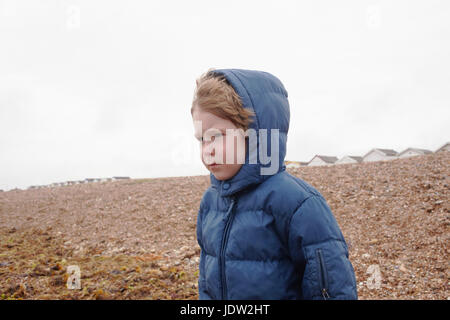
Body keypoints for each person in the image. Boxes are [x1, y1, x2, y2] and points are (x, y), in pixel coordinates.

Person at [191, 68, 357, 300]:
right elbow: (206, 282)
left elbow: (331, 288)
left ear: (254, 135)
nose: (208, 149)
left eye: (217, 136)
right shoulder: (210, 203)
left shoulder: (298, 203)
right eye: (202, 139)